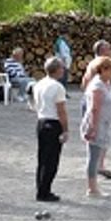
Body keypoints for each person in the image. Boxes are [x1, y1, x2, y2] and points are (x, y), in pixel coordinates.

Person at [29, 57, 69, 202]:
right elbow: (61, 111)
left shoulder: (38, 84)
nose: (63, 70)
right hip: (53, 123)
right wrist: (65, 129)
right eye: (62, 68)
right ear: (57, 70)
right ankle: (45, 191)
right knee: (52, 160)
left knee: (42, 159)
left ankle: (41, 188)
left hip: (41, 121)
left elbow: (34, 105)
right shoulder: (58, 87)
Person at [81, 55, 111, 198]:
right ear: (102, 70)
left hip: (103, 124)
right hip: (96, 124)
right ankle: (91, 188)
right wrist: (93, 128)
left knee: (97, 155)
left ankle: (94, 185)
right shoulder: (97, 86)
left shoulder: (104, 83)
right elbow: (94, 109)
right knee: (93, 156)